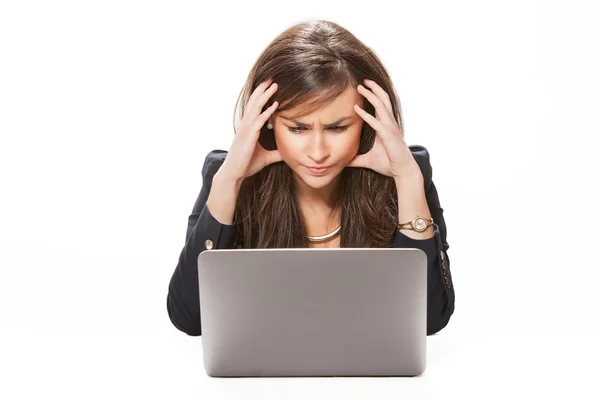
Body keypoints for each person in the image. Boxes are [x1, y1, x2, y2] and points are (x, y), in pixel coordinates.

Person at [167, 20, 455, 336]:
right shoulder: (224, 178)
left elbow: (430, 321)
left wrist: (408, 181)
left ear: (368, 123)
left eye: (337, 128)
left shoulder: (409, 177)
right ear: (267, 121)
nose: (317, 152)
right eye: (298, 128)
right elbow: (189, 319)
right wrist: (229, 183)